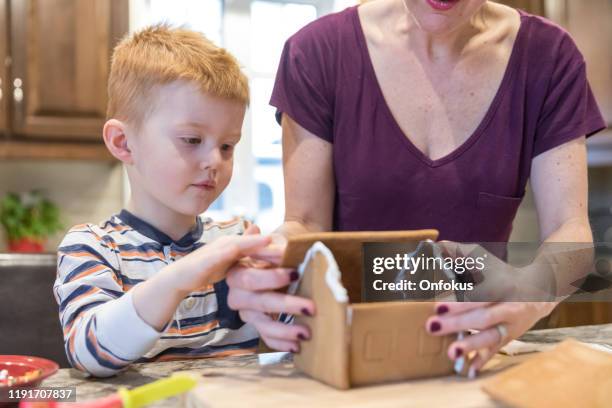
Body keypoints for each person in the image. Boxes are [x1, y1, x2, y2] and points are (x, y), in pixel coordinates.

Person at [226, 0, 606, 377]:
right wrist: (273, 262)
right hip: (344, 353)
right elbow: (304, 223)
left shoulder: (549, 57)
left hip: (471, 352)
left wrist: (534, 293)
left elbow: (569, 229)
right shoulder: (318, 52)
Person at [53, 25, 292, 377]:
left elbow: (297, 332)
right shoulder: (91, 247)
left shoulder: (236, 240)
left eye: (227, 145)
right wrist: (184, 275)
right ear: (122, 142)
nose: (215, 161)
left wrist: (288, 290)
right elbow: (89, 352)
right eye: (192, 139)